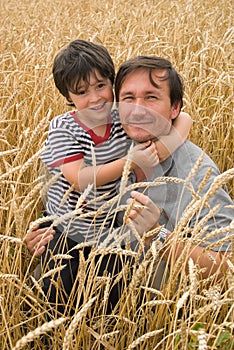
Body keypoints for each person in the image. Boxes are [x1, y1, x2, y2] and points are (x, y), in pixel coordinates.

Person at [27, 41, 192, 315]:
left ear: (111, 83)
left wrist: (159, 151)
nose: (95, 98)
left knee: (115, 285)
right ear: (68, 96)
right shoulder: (64, 128)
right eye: (81, 92)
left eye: (101, 86)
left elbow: (184, 118)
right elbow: (79, 179)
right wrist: (131, 161)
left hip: (106, 221)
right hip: (66, 224)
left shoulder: (118, 118)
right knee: (57, 291)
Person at [114, 55, 233, 288]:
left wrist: (157, 235)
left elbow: (229, 266)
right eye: (128, 98)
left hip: (156, 308)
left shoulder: (199, 175)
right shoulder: (108, 147)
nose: (137, 110)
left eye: (151, 98)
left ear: (174, 108)